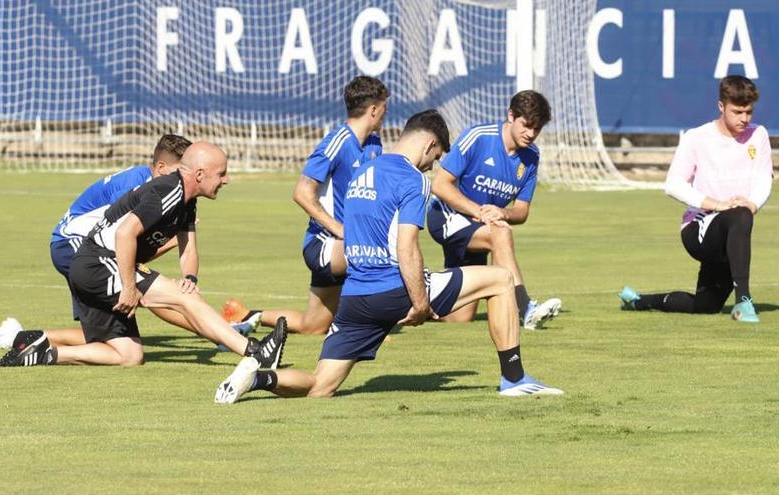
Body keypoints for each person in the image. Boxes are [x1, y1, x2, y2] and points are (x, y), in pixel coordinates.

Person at [214, 110, 563, 403]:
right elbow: (407, 245)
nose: (432, 165)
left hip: (355, 295)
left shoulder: (363, 172)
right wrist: (420, 303)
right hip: (395, 287)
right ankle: (514, 378)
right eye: (436, 156)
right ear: (428, 144)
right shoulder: (413, 179)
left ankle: (256, 379)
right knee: (501, 281)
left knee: (321, 385)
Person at [0, 142, 286, 367]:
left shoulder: (187, 201)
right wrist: (130, 286)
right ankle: (256, 352)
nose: (226, 180)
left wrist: (189, 276)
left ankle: (42, 352)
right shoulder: (168, 190)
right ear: (199, 174)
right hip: (98, 262)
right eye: (222, 173)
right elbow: (125, 233)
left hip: (97, 265)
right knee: (184, 300)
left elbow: (187, 246)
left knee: (130, 355)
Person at [220, 76, 389, 335]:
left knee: (313, 326)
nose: (385, 115)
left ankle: (246, 316)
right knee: (380, 253)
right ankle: (376, 320)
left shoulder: (375, 144)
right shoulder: (336, 143)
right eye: (384, 108)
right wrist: (339, 229)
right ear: (374, 109)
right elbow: (301, 192)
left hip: (347, 247)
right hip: (324, 244)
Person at [618, 75, 773, 323]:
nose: (744, 118)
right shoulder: (696, 137)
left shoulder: (759, 135)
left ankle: (638, 301)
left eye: (749, 112)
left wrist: (753, 203)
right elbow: (673, 185)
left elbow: (765, 177)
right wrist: (717, 204)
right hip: (698, 229)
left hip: (731, 236)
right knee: (740, 215)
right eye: (737, 112)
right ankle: (743, 303)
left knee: (705, 306)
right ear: (721, 107)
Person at [426, 90, 561, 330]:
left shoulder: (531, 157)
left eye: (537, 129)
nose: (531, 134)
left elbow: (521, 212)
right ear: (511, 115)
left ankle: (420, 294)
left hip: (480, 229)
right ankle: (525, 309)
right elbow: (439, 185)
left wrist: (503, 213)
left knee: (459, 318)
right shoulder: (479, 137)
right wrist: (480, 212)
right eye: (526, 125)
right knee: (502, 233)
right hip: (447, 217)